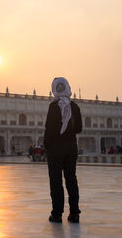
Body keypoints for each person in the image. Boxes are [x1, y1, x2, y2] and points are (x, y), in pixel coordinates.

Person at [44, 77, 82, 223]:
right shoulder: (75, 107)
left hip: (55, 150)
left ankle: (57, 214)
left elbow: (49, 129)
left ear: (54, 89)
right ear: (67, 87)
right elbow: (79, 129)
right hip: (71, 149)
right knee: (71, 180)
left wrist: (46, 146)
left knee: (56, 182)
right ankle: (74, 214)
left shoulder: (53, 107)